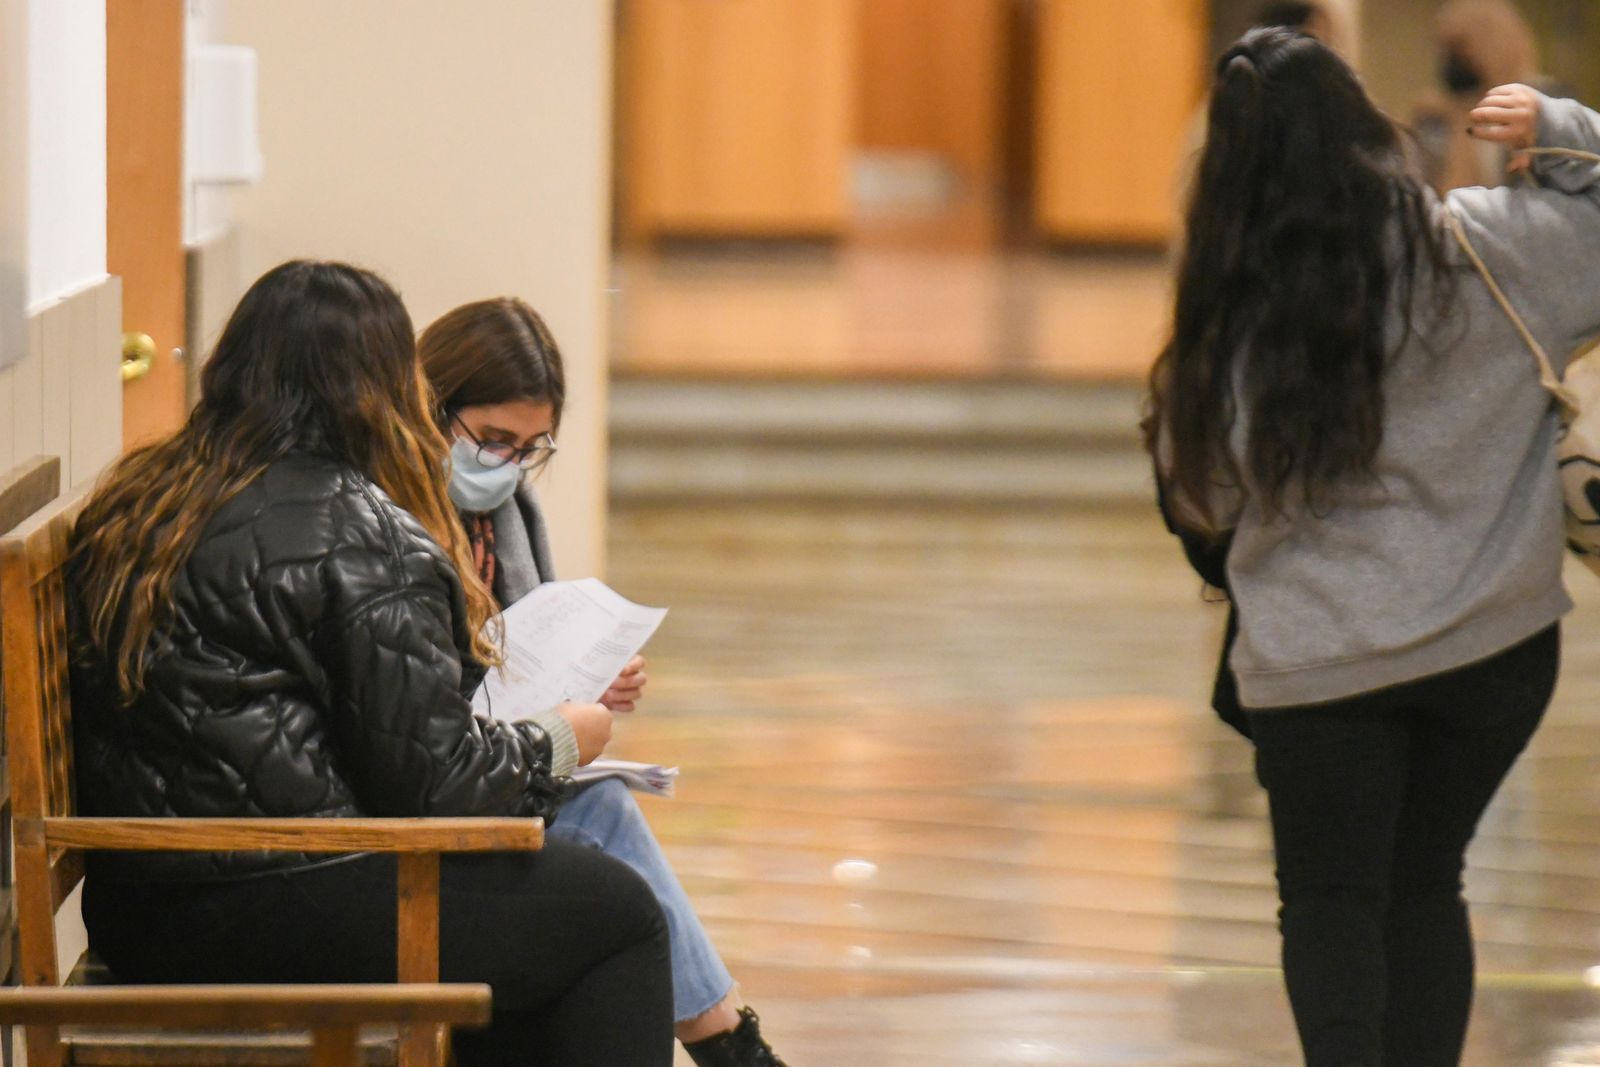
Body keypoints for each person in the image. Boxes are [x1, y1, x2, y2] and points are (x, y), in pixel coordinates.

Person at [67, 261, 674, 1067]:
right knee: (617, 915)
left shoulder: (141, 495)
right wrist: (560, 738)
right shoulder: (362, 529)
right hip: (283, 899)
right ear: (383, 386)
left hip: (143, 904)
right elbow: (436, 788)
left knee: (542, 914)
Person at [1146, 26, 1600, 1067]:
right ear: (1363, 126)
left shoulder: (1227, 317)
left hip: (1317, 667)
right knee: (1427, 878)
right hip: (1493, 647)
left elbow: (1204, 499)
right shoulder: (1495, 246)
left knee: (1330, 900)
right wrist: (1563, 125)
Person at [418, 297, 789, 1067]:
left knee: (601, 812)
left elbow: (514, 654)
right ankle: (731, 1047)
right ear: (432, 405)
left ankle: (730, 1046)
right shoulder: (392, 517)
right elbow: (415, 705)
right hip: (426, 804)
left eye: (530, 447)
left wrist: (590, 681)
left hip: (485, 766)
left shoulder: (509, 511)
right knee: (605, 840)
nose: (508, 465)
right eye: (491, 440)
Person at [1413, 0, 1566, 192]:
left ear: (1497, 41)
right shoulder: (1434, 118)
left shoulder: (1548, 107)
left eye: (1462, 45)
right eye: (1446, 48)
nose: (1452, 59)